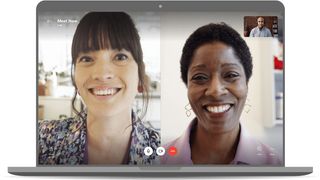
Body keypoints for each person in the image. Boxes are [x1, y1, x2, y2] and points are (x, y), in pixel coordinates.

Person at [38, 12, 160, 165]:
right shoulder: (41, 140)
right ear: (75, 75)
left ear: (140, 74)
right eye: (87, 59)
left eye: (120, 57)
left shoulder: (166, 152)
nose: (102, 74)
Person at [161, 23, 281, 165]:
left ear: (246, 84)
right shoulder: (160, 160)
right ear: (187, 86)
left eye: (230, 74)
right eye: (200, 77)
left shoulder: (271, 163)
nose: (215, 91)